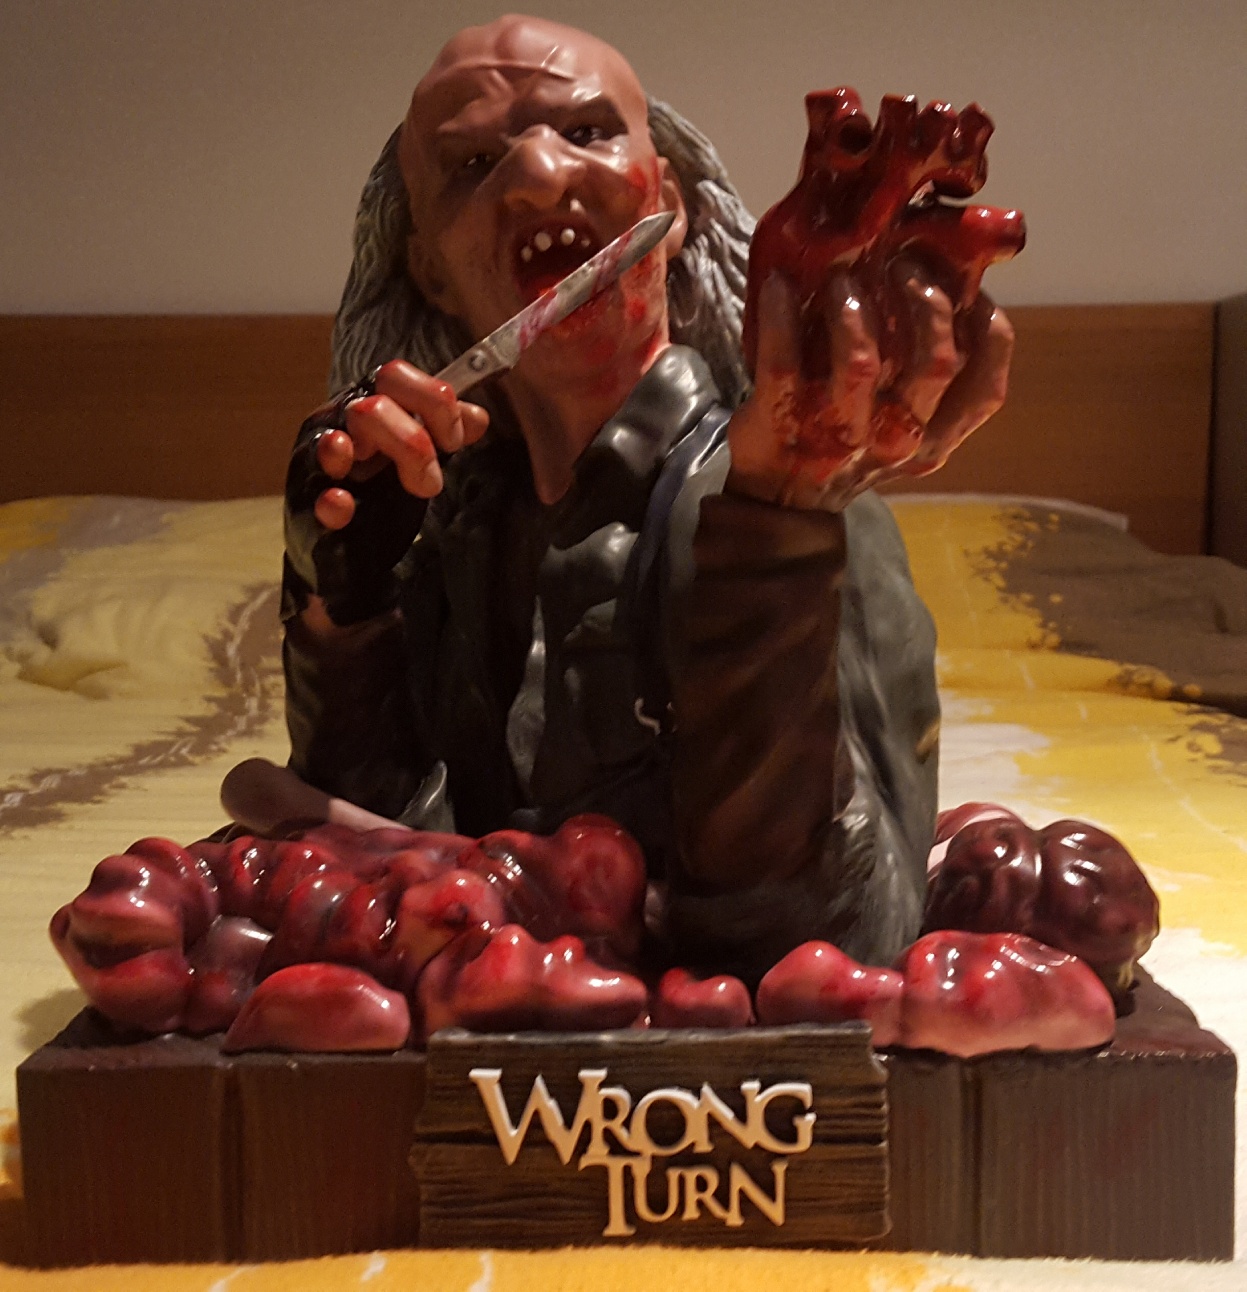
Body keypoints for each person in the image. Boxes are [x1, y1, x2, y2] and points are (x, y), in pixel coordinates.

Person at [234, 15, 1015, 984]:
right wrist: (341, 612)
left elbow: (833, 950)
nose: (535, 174)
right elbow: (382, 862)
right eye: (472, 164)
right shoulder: (452, 528)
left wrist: (772, 533)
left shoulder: (790, 505)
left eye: (588, 131)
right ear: (427, 267)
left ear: (669, 203)